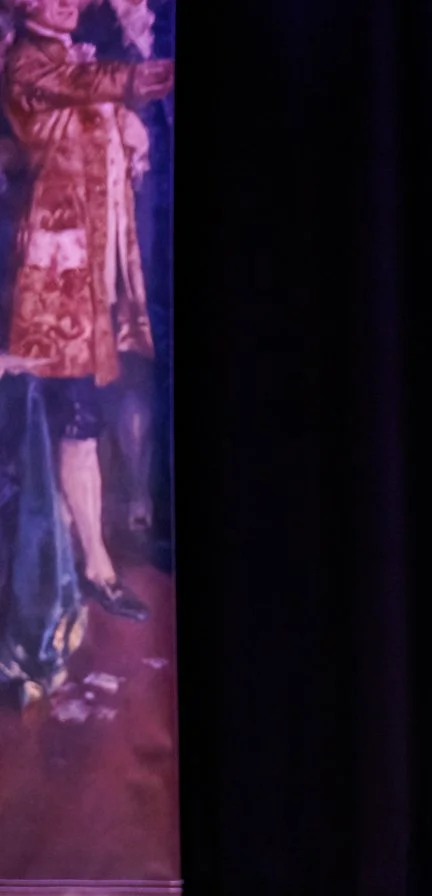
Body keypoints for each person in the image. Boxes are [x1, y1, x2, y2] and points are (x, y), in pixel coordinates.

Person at [3, 0, 172, 622]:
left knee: (81, 418)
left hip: (86, 280)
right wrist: (136, 79)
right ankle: (71, 570)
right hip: (49, 286)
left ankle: (87, 563)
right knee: (54, 422)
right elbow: (79, 84)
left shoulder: (74, 59)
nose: (69, 1)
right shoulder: (28, 63)